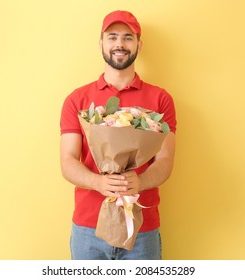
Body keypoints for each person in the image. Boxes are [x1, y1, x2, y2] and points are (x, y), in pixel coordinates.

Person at [60, 10, 177, 260]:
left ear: (139, 45)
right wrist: (98, 183)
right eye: (112, 37)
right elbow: (68, 160)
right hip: (88, 229)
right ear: (101, 43)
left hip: (142, 229)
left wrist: (141, 182)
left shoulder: (160, 99)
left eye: (128, 37)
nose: (120, 44)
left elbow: (166, 161)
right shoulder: (77, 100)